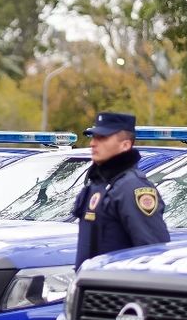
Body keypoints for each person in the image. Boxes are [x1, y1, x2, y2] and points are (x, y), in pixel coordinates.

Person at [72, 111, 170, 267]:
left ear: (125, 145)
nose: (92, 143)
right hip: (90, 286)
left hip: (116, 288)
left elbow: (153, 252)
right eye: (93, 137)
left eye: (102, 138)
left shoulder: (133, 187)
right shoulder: (98, 184)